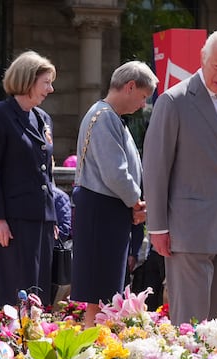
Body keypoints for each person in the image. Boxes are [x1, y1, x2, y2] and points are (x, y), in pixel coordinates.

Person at [143, 28, 217, 325]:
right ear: (203, 59)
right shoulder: (174, 101)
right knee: (189, 325)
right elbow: (155, 166)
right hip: (186, 230)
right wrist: (158, 227)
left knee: (216, 325)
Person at [70, 61, 157, 326]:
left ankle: (96, 349)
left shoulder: (108, 116)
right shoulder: (105, 116)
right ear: (130, 86)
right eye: (143, 96)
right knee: (101, 292)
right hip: (102, 209)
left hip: (105, 208)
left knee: (107, 291)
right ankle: (92, 351)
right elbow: (115, 171)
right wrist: (136, 201)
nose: (143, 104)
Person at [0, 50, 57, 307]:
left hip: (42, 218)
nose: (51, 89)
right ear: (28, 80)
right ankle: (8, 343)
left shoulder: (43, 118)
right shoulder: (0, 113)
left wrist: (53, 215)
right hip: (13, 218)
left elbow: (47, 169)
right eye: (46, 82)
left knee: (40, 289)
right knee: (14, 288)